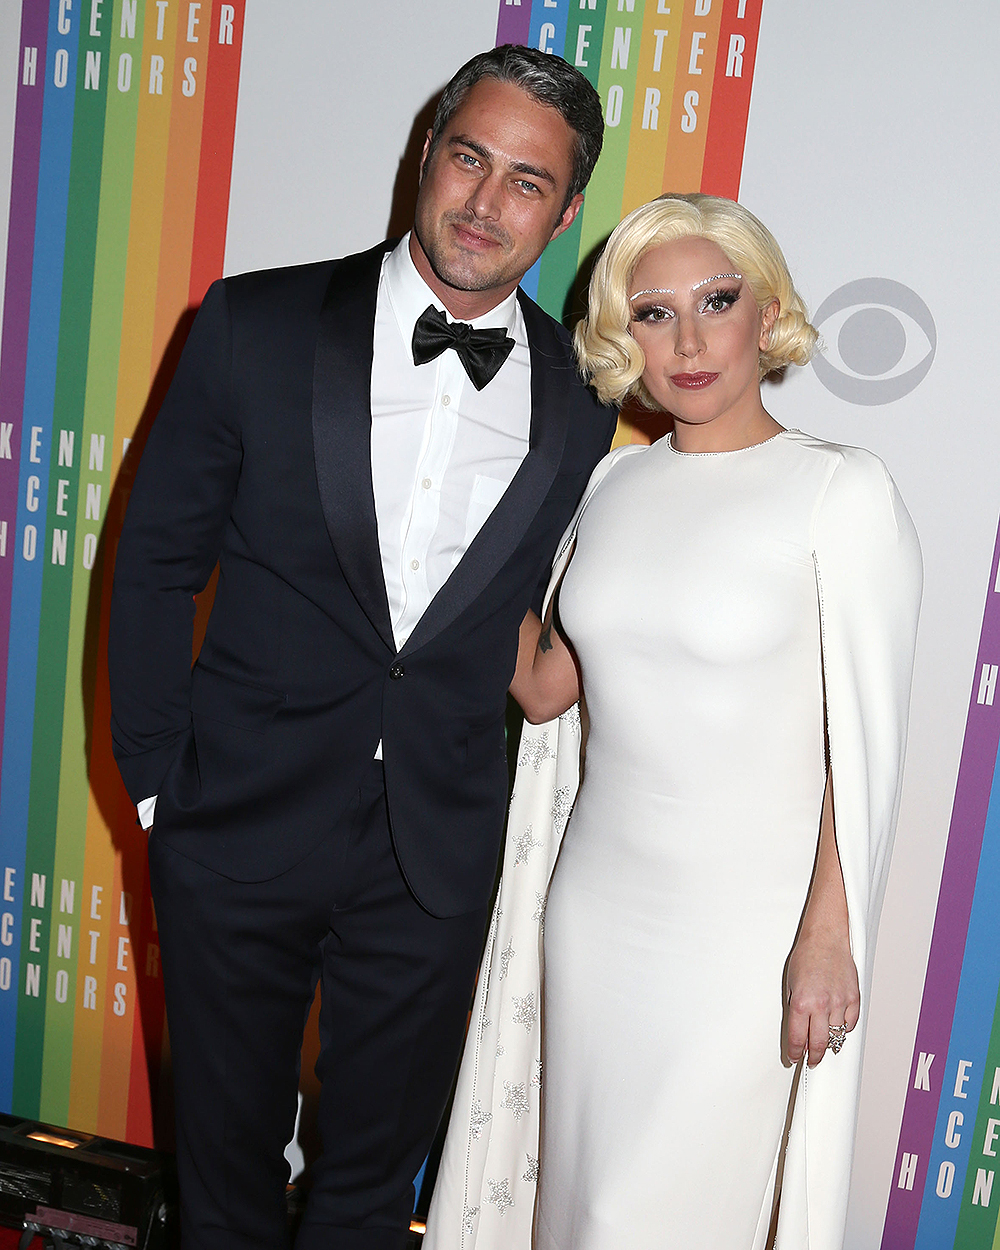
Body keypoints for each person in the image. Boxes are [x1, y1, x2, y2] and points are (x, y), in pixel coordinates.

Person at [107, 45, 616, 1250]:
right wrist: (153, 784)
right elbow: (153, 565)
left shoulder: (581, 400)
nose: (487, 204)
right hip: (233, 818)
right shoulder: (256, 322)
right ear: (424, 154)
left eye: (528, 182)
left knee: (372, 1188)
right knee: (222, 1175)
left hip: (431, 852)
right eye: (469, 158)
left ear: (565, 208)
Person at [423, 194, 921, 1250]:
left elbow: (864, 750)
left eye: (716, 301)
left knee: (646, 1217)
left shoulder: (839, 491)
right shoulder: (609, 482)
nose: (687, 340)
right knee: (580, 1206)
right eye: (652, 312)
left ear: (767, 310)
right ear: (621, 335)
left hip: (745, 934)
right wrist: (462, 527)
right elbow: (550, 688)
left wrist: (828, 934)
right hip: (595, 910)